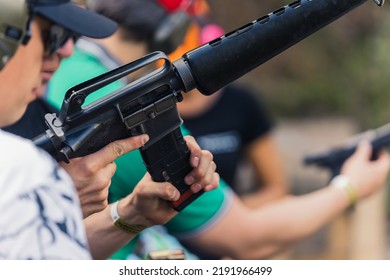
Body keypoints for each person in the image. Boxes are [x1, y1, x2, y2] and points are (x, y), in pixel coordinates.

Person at [46, 0, 390, 260]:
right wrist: (349, 187)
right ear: (176, 28)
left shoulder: (66, 75)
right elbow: (249, 239)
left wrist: (130, 215)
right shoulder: (115, 106)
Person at [0, 0, 219, 260]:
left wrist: (133, 215)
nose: (68, 50)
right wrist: (49, 198)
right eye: (54, 35)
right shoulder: (21, 168)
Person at [172, 18, 289, 208]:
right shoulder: (145, 109)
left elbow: (276, 188)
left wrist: (230, 216)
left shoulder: (240, 102)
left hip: (225, 226)